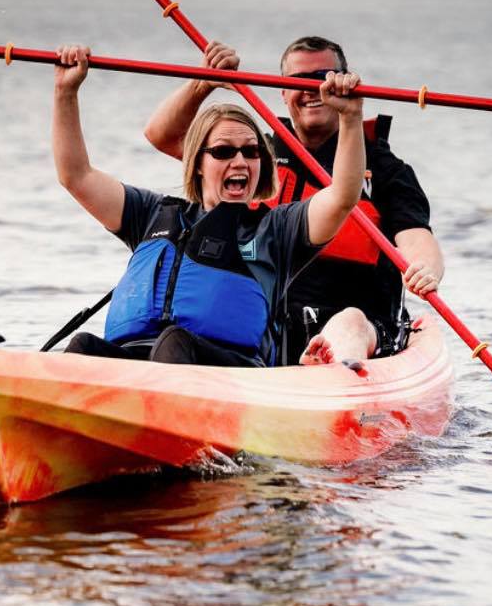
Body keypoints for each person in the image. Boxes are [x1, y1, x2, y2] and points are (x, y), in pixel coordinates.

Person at [51, 43, 365, 367]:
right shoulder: (151, 215)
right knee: (84, 344)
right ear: (198, 162)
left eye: (252, 151)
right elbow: (76, 175)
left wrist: (350, 117)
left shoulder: (277, 231)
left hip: (228, 374)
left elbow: (342, 196)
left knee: (174, 342)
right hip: (137, 366)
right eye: (224, 152)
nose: (241, 161)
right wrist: (65, 91)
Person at [143, 36, 444, 368]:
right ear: (282, 93)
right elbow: (163, 136)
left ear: (345, 83)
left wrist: (423, 270)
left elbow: (417, 238)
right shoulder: (254, 158)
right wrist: (203, 84)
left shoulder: (387, 171)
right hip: (268, 327)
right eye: (297, 82)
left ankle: (334, 376)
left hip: (363, 326)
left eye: (323, 79)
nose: (311, 90)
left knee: (350, 322)